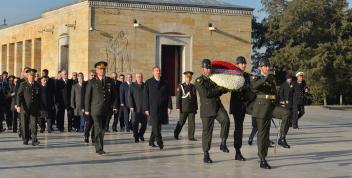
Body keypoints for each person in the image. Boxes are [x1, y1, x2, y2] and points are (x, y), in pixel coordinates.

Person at [250, 59, 291, 169]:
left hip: (272, 106)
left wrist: (279, 103)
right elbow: (254, 87)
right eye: (265, 66)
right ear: (260, 68)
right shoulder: (255, 77)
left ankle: (282, 138)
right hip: (261, 108)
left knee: (287, 113)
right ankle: (262, 158)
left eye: (268, 66)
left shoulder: (271, 78)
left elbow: (274, 93)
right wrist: (265, 78)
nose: (267, 68)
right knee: (263, 135)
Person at [195, 59, 230, 163]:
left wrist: (225, 88)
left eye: (210, 68)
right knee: (207, 132)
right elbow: (206, 94)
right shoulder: (199, 81)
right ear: (202, 69)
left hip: (218, 106)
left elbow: (219, 91)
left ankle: (223, 143)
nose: (208, 70)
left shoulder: (214, 79)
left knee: (226, 120)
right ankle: (206, 154)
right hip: (207, 109)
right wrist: (219, 89)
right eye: (206, 68)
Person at [84, 61, 118, 155]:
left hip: (106, 109)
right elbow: (87, 97)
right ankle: (99, 148)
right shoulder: (92, 82)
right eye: (100, 69)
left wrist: (115, 106)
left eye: (104, 69)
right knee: (98, 128)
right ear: (96, 70)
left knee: (103, 129)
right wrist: (87, 109)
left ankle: (98, 143)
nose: (102, 71)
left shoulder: (110, 81)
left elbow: (114, 95)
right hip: (95, 109)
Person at [229, 56, 255, 161]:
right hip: (237, 106)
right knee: (239, 128)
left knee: (260, 116)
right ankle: (237, 151)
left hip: (248, 104)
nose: (243, 65)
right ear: (237, 65)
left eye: (244, 63)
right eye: (241, 63)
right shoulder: (232, 76)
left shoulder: (248, 76)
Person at [143, 66, 172, 150]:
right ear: (153, 72)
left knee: (158, 125)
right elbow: (145, 96)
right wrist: (146, 108)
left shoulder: (165, 82)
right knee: (156, 125)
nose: (158, 72)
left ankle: (151, 141)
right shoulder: (148, 82)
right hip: (153, 108)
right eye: (156, 71)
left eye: (159, 71)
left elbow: (168, 95)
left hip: (162, 108)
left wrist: (169, 106)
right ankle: (160, 142)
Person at [16, 69, 41, 146]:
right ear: (28, 76)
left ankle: (34, 140)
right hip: (24, 108)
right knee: (24, 124)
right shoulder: (23, 84)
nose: (32, 77)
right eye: (30, 76)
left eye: (33, 76)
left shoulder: (37, 84)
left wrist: (40, 107)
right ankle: (25, 139)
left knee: (33, 124)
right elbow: (19, 95)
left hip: (34, 108)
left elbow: (40, 97)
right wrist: (18, 106)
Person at [174, 71, 198, 141]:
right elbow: (178, 97)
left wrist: (196, 107)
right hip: (184, 108)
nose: (188, 79)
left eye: (190, 77)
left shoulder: (193, 86)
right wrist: (178, 107)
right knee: (181, 122)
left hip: (192, 108)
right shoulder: (181, 86)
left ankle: (191, 136)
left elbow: (195, 97)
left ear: (191, 78)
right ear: (185, 78)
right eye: (187, 77)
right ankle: (176, 133)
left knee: (192, 123)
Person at [128, 73, 147, 143]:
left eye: (141, 77)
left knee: (144, 125)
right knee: (135, 124)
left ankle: (140, 135)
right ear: (136, 78)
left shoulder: (145, 85)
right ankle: (136, 137)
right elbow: (129, 97)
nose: (140, 78)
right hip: (135, 108)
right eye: (138, 77)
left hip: (144, 109)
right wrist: (131, 106)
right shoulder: (132, 86)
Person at [83, 70, 96, 143]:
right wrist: (83, 108)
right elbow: (83, 97)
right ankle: (86, 136)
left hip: (95, 107)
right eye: (92, 75)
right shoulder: (85, 84)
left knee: (95, 123)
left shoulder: (98, 83)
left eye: (94, 75)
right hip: (87, 107)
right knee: (89, 122)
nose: (93, 77)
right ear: (89, 76)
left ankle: (93, 137)